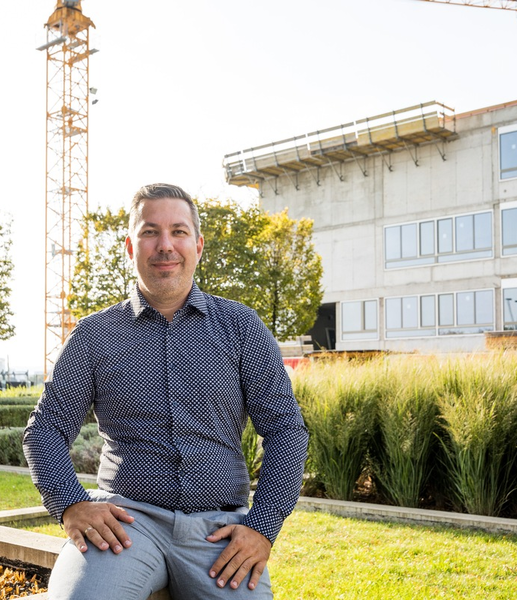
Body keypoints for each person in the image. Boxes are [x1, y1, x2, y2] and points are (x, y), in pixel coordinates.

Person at [23, 183, 308, 600]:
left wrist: (263, 527)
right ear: (130, 245)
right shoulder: (95, 335)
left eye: (178, 231)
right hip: (125, 525)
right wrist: (70, 503)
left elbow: (286, 430)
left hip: (219, 533)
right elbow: (45, 428)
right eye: (150, 231)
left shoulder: (242, 327)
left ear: (198, 244)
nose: (165, 245)